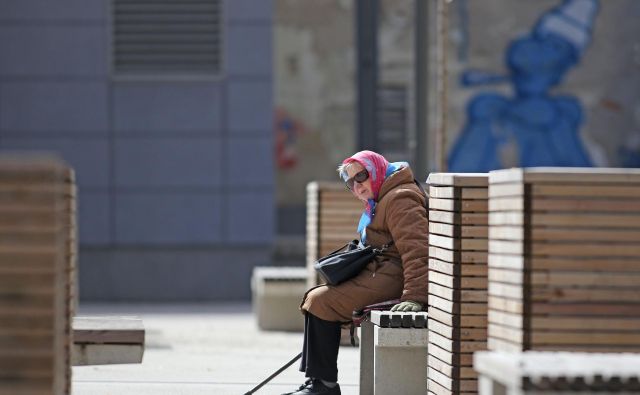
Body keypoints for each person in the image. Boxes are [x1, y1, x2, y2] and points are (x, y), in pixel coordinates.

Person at [283, 150, 429, 395]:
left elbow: (417, 249)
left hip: (396, 278)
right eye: (350, 182)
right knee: (316, 299)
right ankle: (318, 382)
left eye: (361, 176)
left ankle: (323, 386)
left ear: (376, 170)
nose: (357, 186)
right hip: (382, 272)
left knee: (321, 302)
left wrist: (415, 296)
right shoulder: (383, 197)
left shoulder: (399, 198)